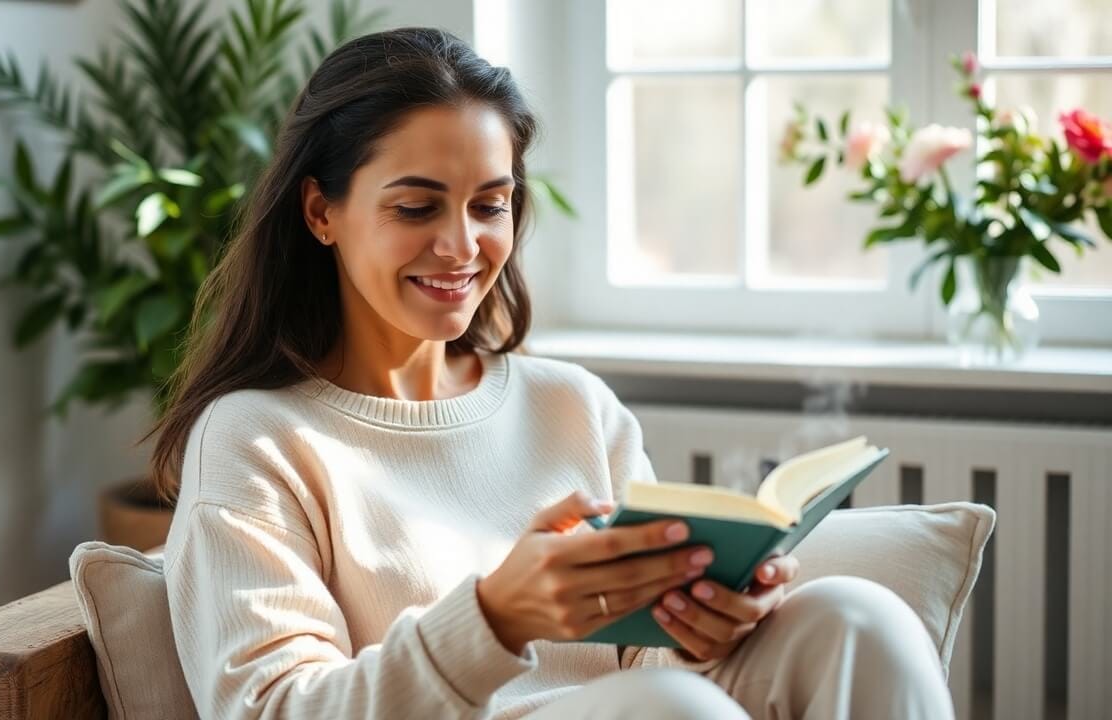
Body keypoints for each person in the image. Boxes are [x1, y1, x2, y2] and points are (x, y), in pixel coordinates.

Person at [144, 26, 954, 720]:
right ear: (323, 212)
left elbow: (641, 676)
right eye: (417, 207)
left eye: (489, 204)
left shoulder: (571, 405)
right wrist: (492, 620)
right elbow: (272, 707)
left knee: (857, 617)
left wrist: (705, 621)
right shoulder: (258, 440)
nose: (462, 247)